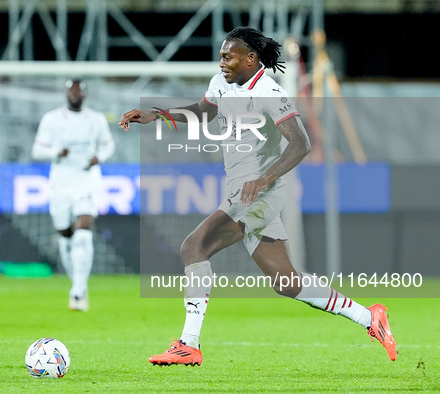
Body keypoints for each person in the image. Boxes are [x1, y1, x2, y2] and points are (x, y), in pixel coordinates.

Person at [119, 27, 396, 365]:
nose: (222, 62)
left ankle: (188, 343)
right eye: (221, 56)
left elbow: (301, 143)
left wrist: (264, 179)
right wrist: (157, 115)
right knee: (287, 281)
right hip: (243, 190)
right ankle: (371, 318)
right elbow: (203, 111)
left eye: (228, 56)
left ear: (250, 59)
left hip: (261, 193)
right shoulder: (222, 83)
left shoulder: (270, 93)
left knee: (194, 246)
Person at [32, 79, 115, 312]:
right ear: (66, 93)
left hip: (87, 181)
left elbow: (108, 146)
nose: (74, 94)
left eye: (78, 91)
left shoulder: (96, 120)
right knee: (66, 237)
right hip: (61, 184)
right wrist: (56, 152)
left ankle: (78, 290)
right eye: (71, 90)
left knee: (83, 234)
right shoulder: (51, 119)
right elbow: (37, 150)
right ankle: (77, 284)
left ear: (84, 95)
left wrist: (100, 157)